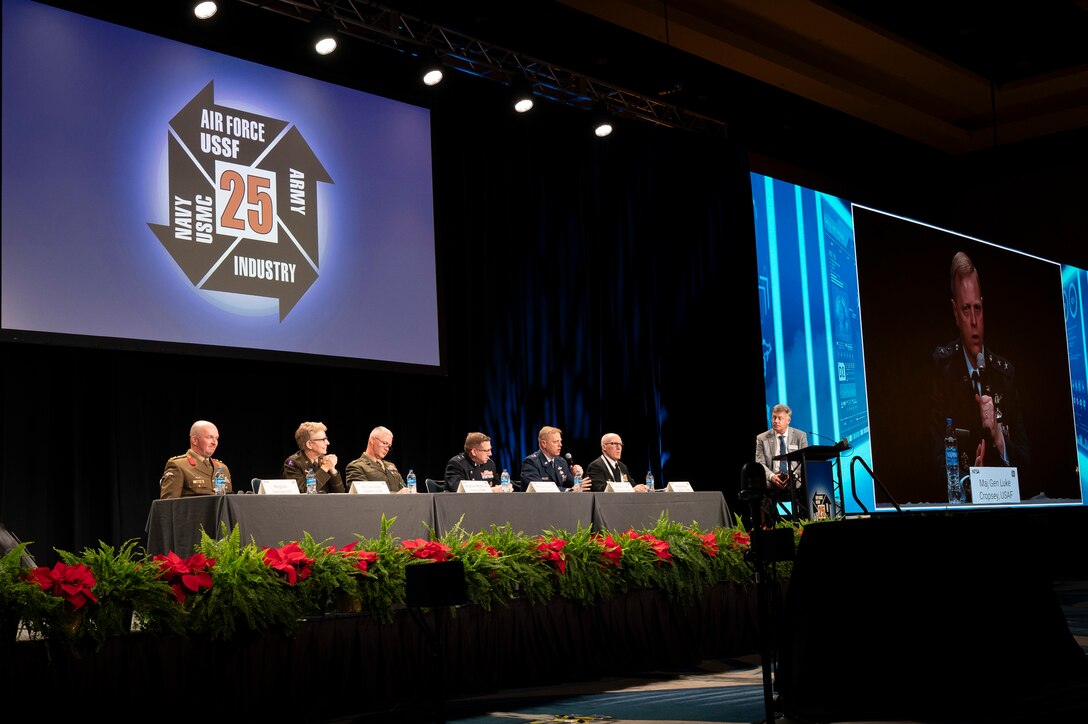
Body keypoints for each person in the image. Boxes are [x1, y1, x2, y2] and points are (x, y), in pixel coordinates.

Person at [931, 251, 1029, 476]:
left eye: (977, 308)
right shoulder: (941, 369)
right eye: (966, 310)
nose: (974, 321)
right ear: (955, 312)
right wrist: (970, 480)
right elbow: (932, 459)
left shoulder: (1005, 374)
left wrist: (998, 436)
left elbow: (1028, 465)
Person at [754, 404, 808, 525]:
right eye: (774, 418)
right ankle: (769, 526)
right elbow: (760, 464)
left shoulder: (800, 436)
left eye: (780, 418)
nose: (776, 421)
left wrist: (793, 476)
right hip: (772, 479)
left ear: (788, 420)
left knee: (809, 484)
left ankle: (804, 525)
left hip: (793, 479)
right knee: (759, 488)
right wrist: (772, 477)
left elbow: (804, 462)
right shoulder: (762, 438)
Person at [160, 420, 233, 498]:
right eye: (209, 437)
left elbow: (229, 502)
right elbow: (168, 505)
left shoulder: (222, 468)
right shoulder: (179, 465)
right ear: (194, 440)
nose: (214, 442)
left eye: (216, 438)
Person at [519, 426, 589, 492]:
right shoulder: (531, 463)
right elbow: (540, 490)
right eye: (556, 442)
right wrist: (568, 490)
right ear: (544, 444)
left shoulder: (561, 462)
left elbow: (574, 486)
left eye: (560, 441)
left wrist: (577, 476)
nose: (560, 445)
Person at [281, 421, 344, 494]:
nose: (327, 443)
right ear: (309, 444)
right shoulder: (293, 463)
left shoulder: (324, 460)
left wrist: (332, 470)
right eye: (323, 440)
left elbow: (340, 493)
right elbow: (304, 491)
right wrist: (325, 468)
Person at [345, 426, 409, 493]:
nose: (387, 449)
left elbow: (403, 488)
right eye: (384, 443)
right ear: (372, 440)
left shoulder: (391, 466)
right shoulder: (356, 466)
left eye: (389, 446)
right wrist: (397, 494)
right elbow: (363, 494)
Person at [445, 432, 509, 492]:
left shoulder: (490, 464)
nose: (490, 454)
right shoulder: (456, 464)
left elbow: (497, 485)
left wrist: (505, 488)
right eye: (487, 450)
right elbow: (458, 490)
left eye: (490, 449)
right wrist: (492, 490)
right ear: (474, 452)